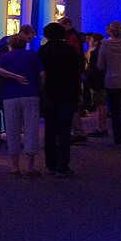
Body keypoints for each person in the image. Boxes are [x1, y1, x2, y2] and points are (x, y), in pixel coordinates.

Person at [0, 34, 45, 177]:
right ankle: (30, 167)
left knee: (12, 130)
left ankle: (15, 167)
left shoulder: (5, 57)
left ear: (10, 45)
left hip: (10, 96)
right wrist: (39, 88)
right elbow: (42, 75)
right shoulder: (32, 55)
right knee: (31, 129)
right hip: (31, 94)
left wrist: (14, 77)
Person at [38, 22, 82, 177]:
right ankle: (63, 166)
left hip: (50, 95)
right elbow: (76, 73)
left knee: (50, 131)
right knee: (64, 132)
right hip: (67, 94)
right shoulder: (69, 50)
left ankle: (51, 164)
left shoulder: (43, 50)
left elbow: (40, 75)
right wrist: (77, 94)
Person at [0, 24, 36, 145]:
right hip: (3, 82)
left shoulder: (4, 40)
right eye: (28, 38)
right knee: (8, 111)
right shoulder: (9, 46)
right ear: (23, 33)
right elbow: (2, 67)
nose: (28, 42)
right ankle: (12, 140)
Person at [58, 17, 87, 143]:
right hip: (74, 74)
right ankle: (77, 131)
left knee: (72, 104)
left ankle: (77, 131)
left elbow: (73, 55)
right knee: (74, 102)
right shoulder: (74, 36)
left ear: (68, 25)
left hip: (71, 75)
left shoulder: (71, 38)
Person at [85, 33, 108, 137]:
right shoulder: (102, 51)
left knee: (99, 105)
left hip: (96, 81)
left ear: (95, 42)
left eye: (91, 40)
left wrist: (88, 78)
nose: (89, 41)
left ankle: (101, 128)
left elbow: (94, 68)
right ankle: (102, 127)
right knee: (101, 105)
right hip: (101, 80)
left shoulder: (96, 53)